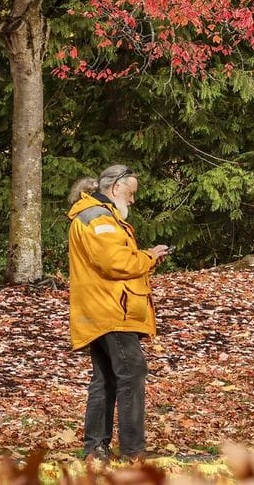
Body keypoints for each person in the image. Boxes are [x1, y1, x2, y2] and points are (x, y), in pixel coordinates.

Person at [66, 165, 170, 463]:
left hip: (99, 309)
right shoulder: (99, 218)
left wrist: (146, 257)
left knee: (107, 378)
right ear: (115, 189)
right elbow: (116, 262)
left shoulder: (95, 216)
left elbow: (115, 259)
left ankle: (95, 448)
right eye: (131, 193)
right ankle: (133, 450)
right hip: (111, 310)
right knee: (132, 372)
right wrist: (149, 257)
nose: (133, 200)